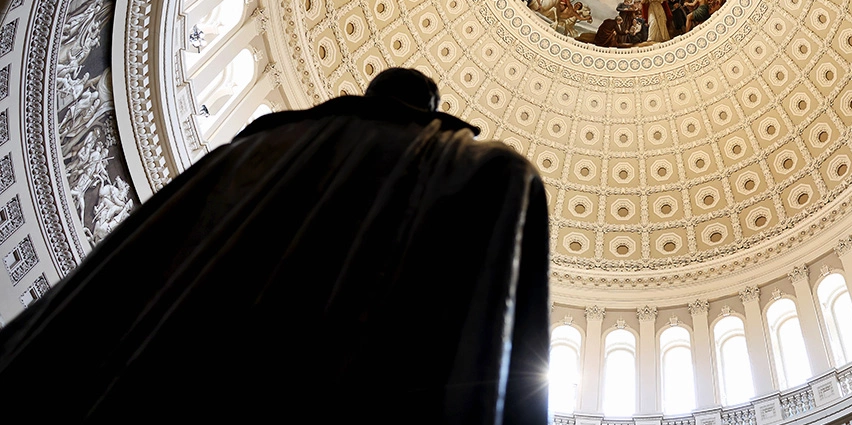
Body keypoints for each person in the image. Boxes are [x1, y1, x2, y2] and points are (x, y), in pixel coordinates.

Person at [0, 68, 549, 424]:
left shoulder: (247, 151)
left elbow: (123, 276)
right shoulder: (493, 171)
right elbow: (499, 347)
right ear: (430, 107)